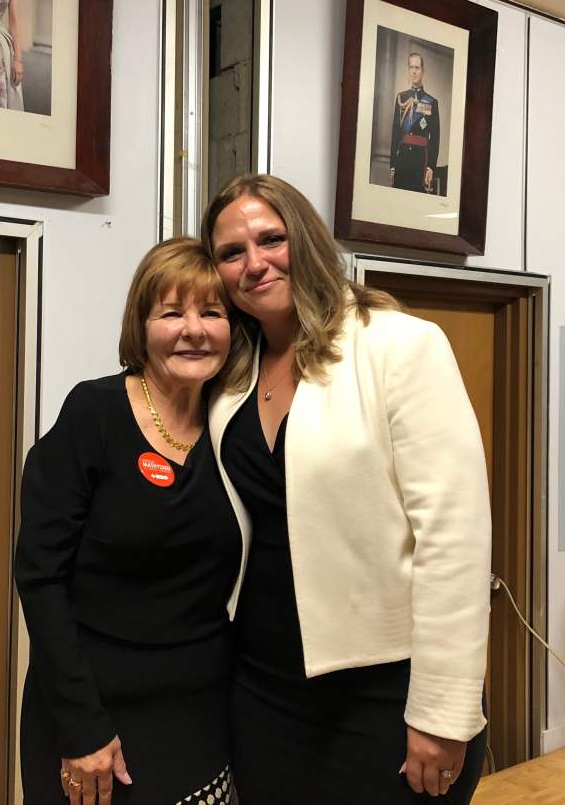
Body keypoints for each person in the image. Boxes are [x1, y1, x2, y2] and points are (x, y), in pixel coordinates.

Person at [202, 173, 491, 803]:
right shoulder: (231, 377)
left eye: (270, 239)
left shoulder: (396, 345)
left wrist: (443, 711)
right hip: (262, 685)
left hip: (385, 688)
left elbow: (454, 540)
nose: (254, 264)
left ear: (303, 240)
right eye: (231, 252)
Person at [15, 238, 243, 805]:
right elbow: (41, 578)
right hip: (92, 718)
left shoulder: (235, 427)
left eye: (212, 313)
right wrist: (81, 726)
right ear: (141, 326)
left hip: (200, 717)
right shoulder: (93, 414)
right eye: (172, 313)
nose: (193, 329)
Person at [389, 52, 440, 193]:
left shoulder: (432, 102)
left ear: (423, 70)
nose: (414, 71)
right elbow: (395, 133)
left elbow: (435, 138)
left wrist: (430, 167)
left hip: (420, 161)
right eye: (411, 67)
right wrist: (392, 165)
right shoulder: (401, 98)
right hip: (402, 160)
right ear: (408, 69)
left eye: (417, 67)